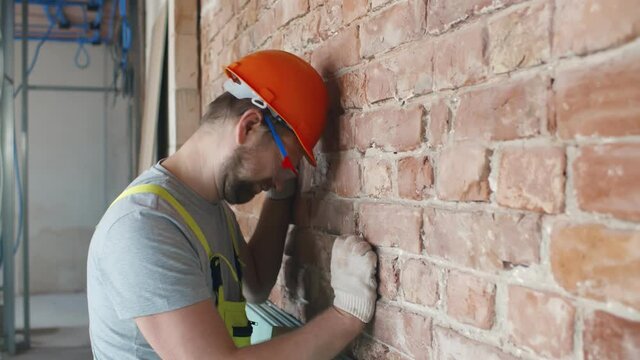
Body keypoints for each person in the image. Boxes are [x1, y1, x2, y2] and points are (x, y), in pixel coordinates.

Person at [87, 50, 379, 359]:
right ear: (250, 126)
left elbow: (254, 285)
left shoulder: (209, 207)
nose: (281, 181)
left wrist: (278, 197)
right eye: (283, 165)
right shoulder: (143, 227)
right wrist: (346, 317)